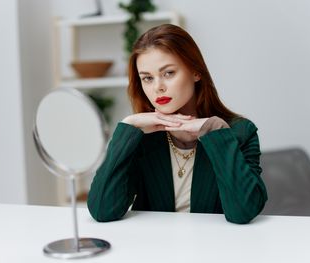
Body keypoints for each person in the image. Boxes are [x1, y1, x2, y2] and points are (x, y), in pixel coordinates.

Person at [87, 24, 267, 224]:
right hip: (156, 250)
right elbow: (102, 210)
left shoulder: (240, 132)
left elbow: (244, 212)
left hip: (216, 250)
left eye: (169, 73)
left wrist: (215, 132)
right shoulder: (141, 138)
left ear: (196, 72)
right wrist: (128, 126)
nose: (158, 87)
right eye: (147, 78)